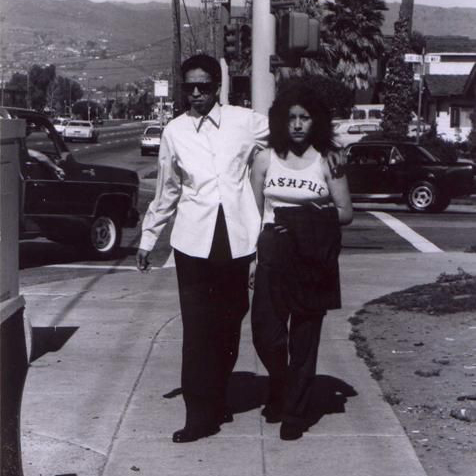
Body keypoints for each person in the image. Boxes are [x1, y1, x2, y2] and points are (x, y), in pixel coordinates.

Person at [135, 54, 269, 443]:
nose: (196, 93)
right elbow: (167, 190)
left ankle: (217, 396)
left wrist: (326, 152)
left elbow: (291, 132)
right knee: (197, 329)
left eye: (204, 86)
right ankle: (199, 414)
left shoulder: (245, 122)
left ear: (217, 87)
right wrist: (148, 238)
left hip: (237, 240)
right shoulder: (174, 131)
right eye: (189, 87)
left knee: (229, 324)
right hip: (193, 243)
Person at [249, 82, 353, 441]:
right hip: (272, 253)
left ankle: (295, 411)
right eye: (291, 117)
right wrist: (252, 259)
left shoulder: (328, 161)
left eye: (304, 117)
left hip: (313, 256)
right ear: (280, 120)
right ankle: (281, 385)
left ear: (315, 121)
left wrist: (302, 218)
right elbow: (253, 213)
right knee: (266, 334)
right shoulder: (265, 159)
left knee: (305, 340)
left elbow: (345, 212)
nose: (297, 124)